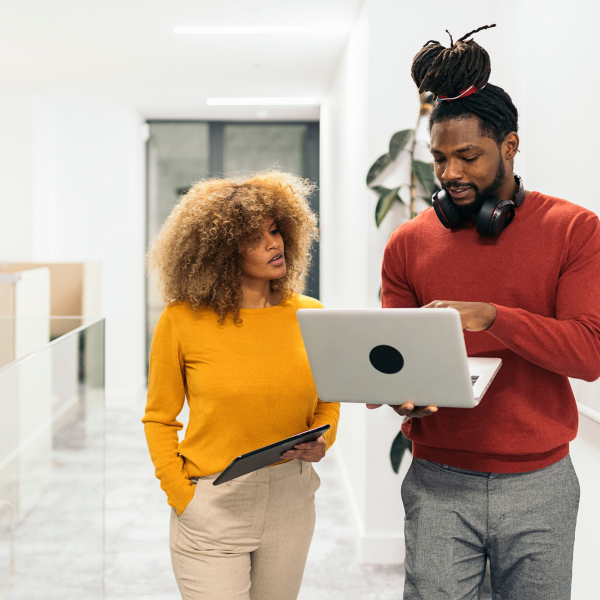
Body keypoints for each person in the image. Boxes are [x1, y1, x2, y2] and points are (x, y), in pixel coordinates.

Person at [370, 25, 600, 599]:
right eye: (440, 158)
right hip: (438, 481)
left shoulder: (575, 230)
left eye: (468, 156)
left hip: (541, 484)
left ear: (511, 145)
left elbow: (589, 353)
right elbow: (394, 360)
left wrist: (492, 317)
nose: (450, 174)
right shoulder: (407, 243)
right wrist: (401, 391)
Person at [142, 171, 340, 600]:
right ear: (221, 251)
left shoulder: (311, 313)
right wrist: (182, 496)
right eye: (255, 237)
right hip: (212, 502)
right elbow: (159, 418)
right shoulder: (180, 320)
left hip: (291, 497)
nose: (274, 243)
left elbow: (328, 396)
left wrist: (324, 440)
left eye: (275, 230)